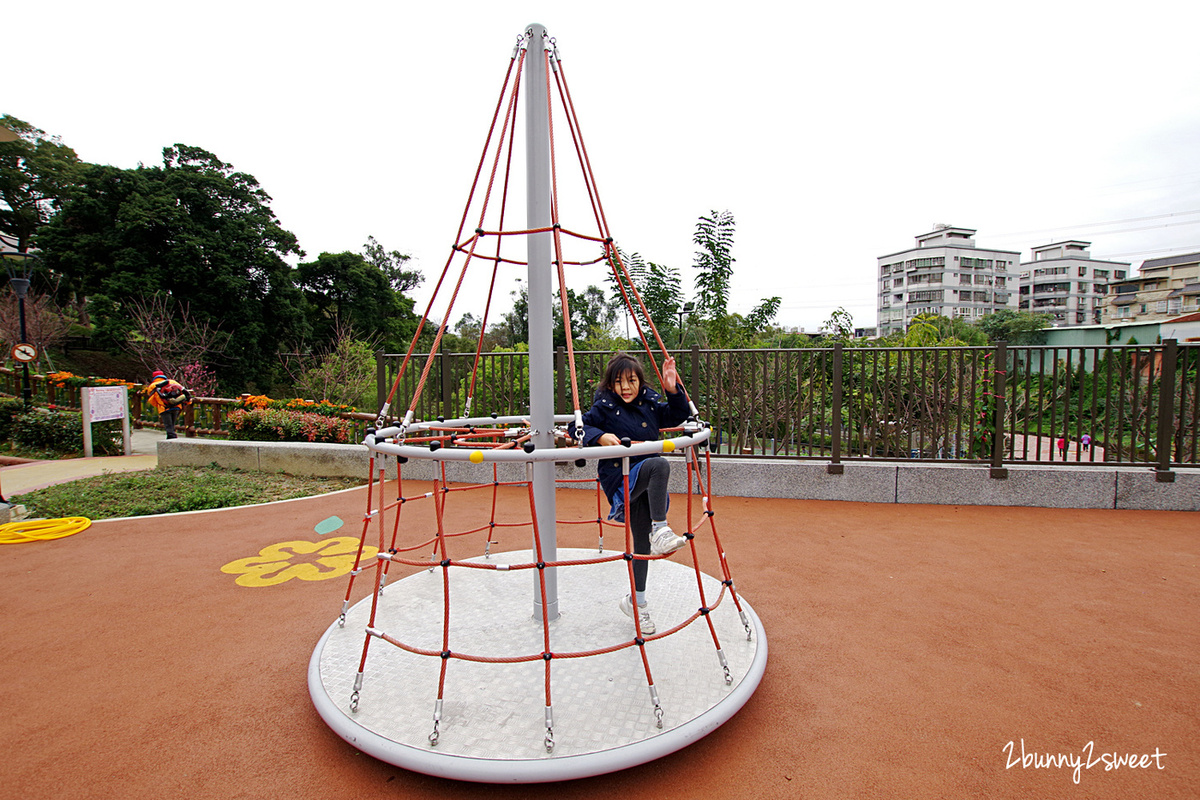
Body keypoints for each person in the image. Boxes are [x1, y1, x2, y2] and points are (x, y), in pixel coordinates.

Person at [580, 352, 690, 635]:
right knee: (659, 463)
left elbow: (678, 415)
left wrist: (671, 388)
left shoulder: (650, 403)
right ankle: (661, 528)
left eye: (631, 381)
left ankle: (636, 602)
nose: (626, 388)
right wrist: (599, 436)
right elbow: (578, 427)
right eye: (619, 382)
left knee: (640, 544)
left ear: (640, 381)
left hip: (645, 485)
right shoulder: (604, 407)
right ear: (610, 385)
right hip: (622, 480)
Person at [144, 369, 192, 439]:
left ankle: (171, 438)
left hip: (164, 408)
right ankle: (172, 436)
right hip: (176, 406)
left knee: (168, 425)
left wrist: (158, 405)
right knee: (172, 423)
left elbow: (152, 399)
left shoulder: (153, 386)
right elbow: (183, 391)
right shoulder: (172, 381)